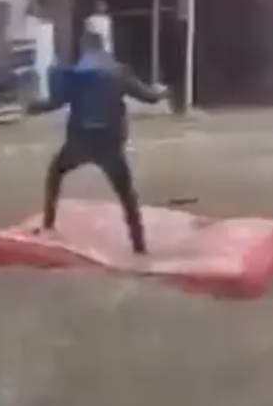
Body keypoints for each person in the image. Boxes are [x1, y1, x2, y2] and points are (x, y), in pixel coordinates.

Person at [28, 30, 168, 254]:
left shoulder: (76, 76)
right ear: (103, 48)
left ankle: (48, 224)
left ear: (84, 49)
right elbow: (149, 97)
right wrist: (162, 92)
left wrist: (33, 107)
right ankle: (139, 245)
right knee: (126, 194)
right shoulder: (119, 73)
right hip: (109, 145)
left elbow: (55, 102)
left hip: (79, 143)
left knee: (55, 173)